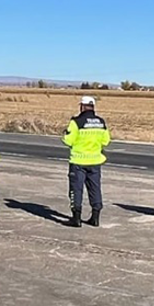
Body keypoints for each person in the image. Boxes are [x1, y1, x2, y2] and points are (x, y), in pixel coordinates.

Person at [61, 96, 111, 228]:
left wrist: (65, 134)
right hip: (95, 161)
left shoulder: (76, 122)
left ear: (82, 106)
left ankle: (76, 218)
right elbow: (106, 141)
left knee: (76, 189)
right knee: (95, 189)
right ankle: (95, 217)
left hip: (78, 161)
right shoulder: (101, 122)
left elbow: (68, 140)